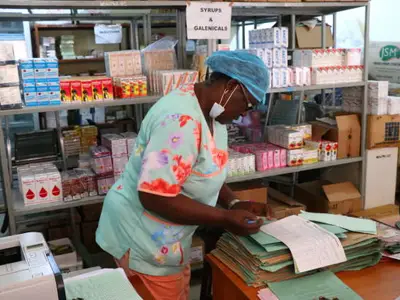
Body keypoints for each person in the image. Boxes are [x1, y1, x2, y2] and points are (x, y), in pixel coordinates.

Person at [96, 50, 270, 300]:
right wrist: (224, 217)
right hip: (142, 238)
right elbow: (155, 197)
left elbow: (205, 169)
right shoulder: (180, 121)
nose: (245, 114)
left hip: (170, 241)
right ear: (231, 86)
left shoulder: (213, 116)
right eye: (248, 104)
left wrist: (232, 202)